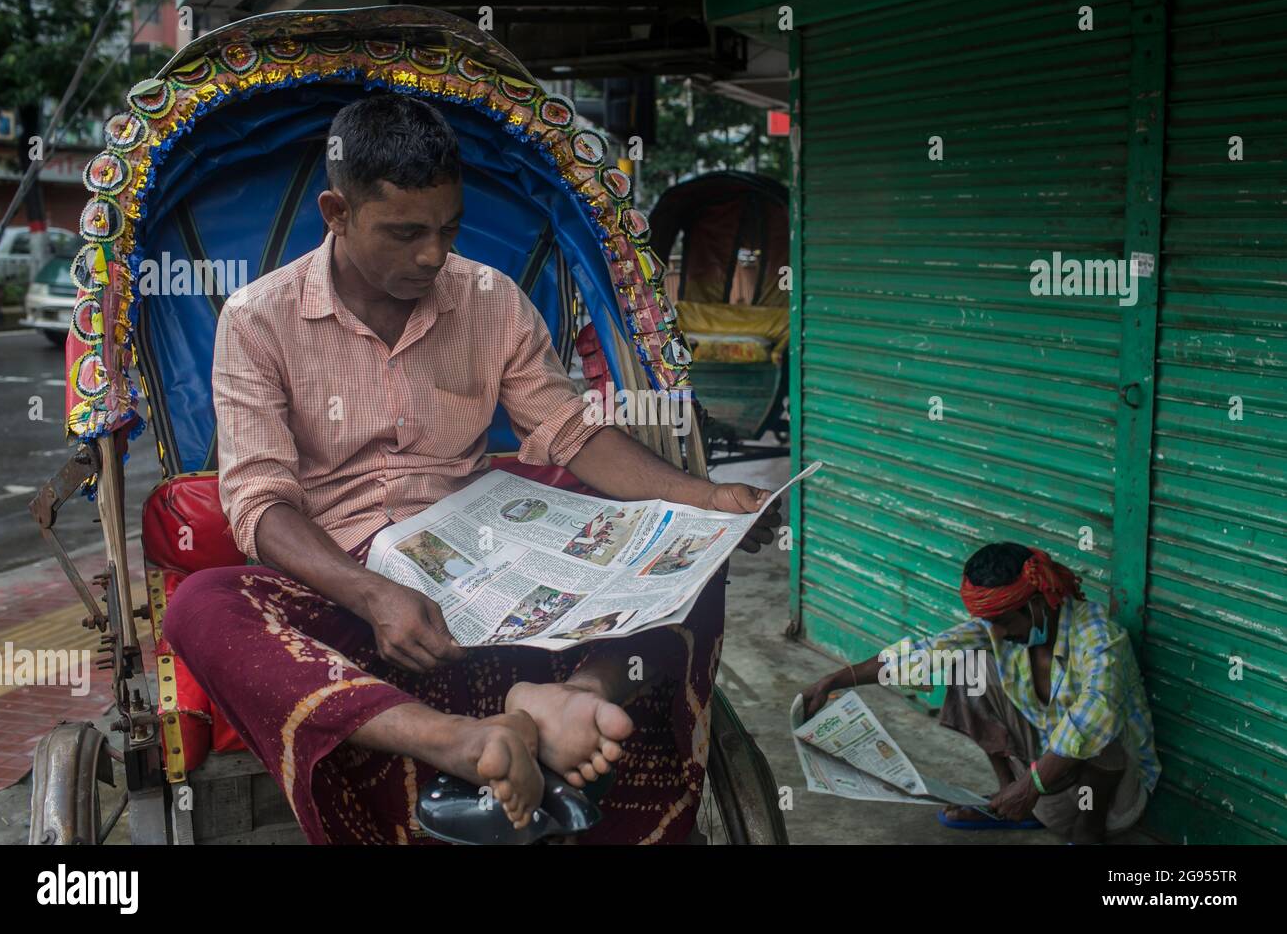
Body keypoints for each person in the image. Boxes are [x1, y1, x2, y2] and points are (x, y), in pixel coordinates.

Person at [163, 93, 780, 845]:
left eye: (448, 229)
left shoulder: (492, 299)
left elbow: (571, 432)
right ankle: (450, 738)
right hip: (346, 583)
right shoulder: (259, 318)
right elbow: (259, 504)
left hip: (484, 563)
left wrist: (707, 497)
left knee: (694, 552)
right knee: (199, 605)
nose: (431, 254)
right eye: (405, 232)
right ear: (335, 211)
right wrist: (372, 592)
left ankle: (571, 700)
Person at [800, 542, 1159, 843]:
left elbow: (1092, 717)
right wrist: (836, 679)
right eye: (992, 623)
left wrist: (1031, 786)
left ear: (1037, 603)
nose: (997, 634)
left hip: (1111, 801)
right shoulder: (1001, 627)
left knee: (1098, 736)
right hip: (1044, 778)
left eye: (1003, 622)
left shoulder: (1101, 638)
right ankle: (1008, 802)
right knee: (968, 663)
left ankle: (1084, 835)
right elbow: (926, 653)